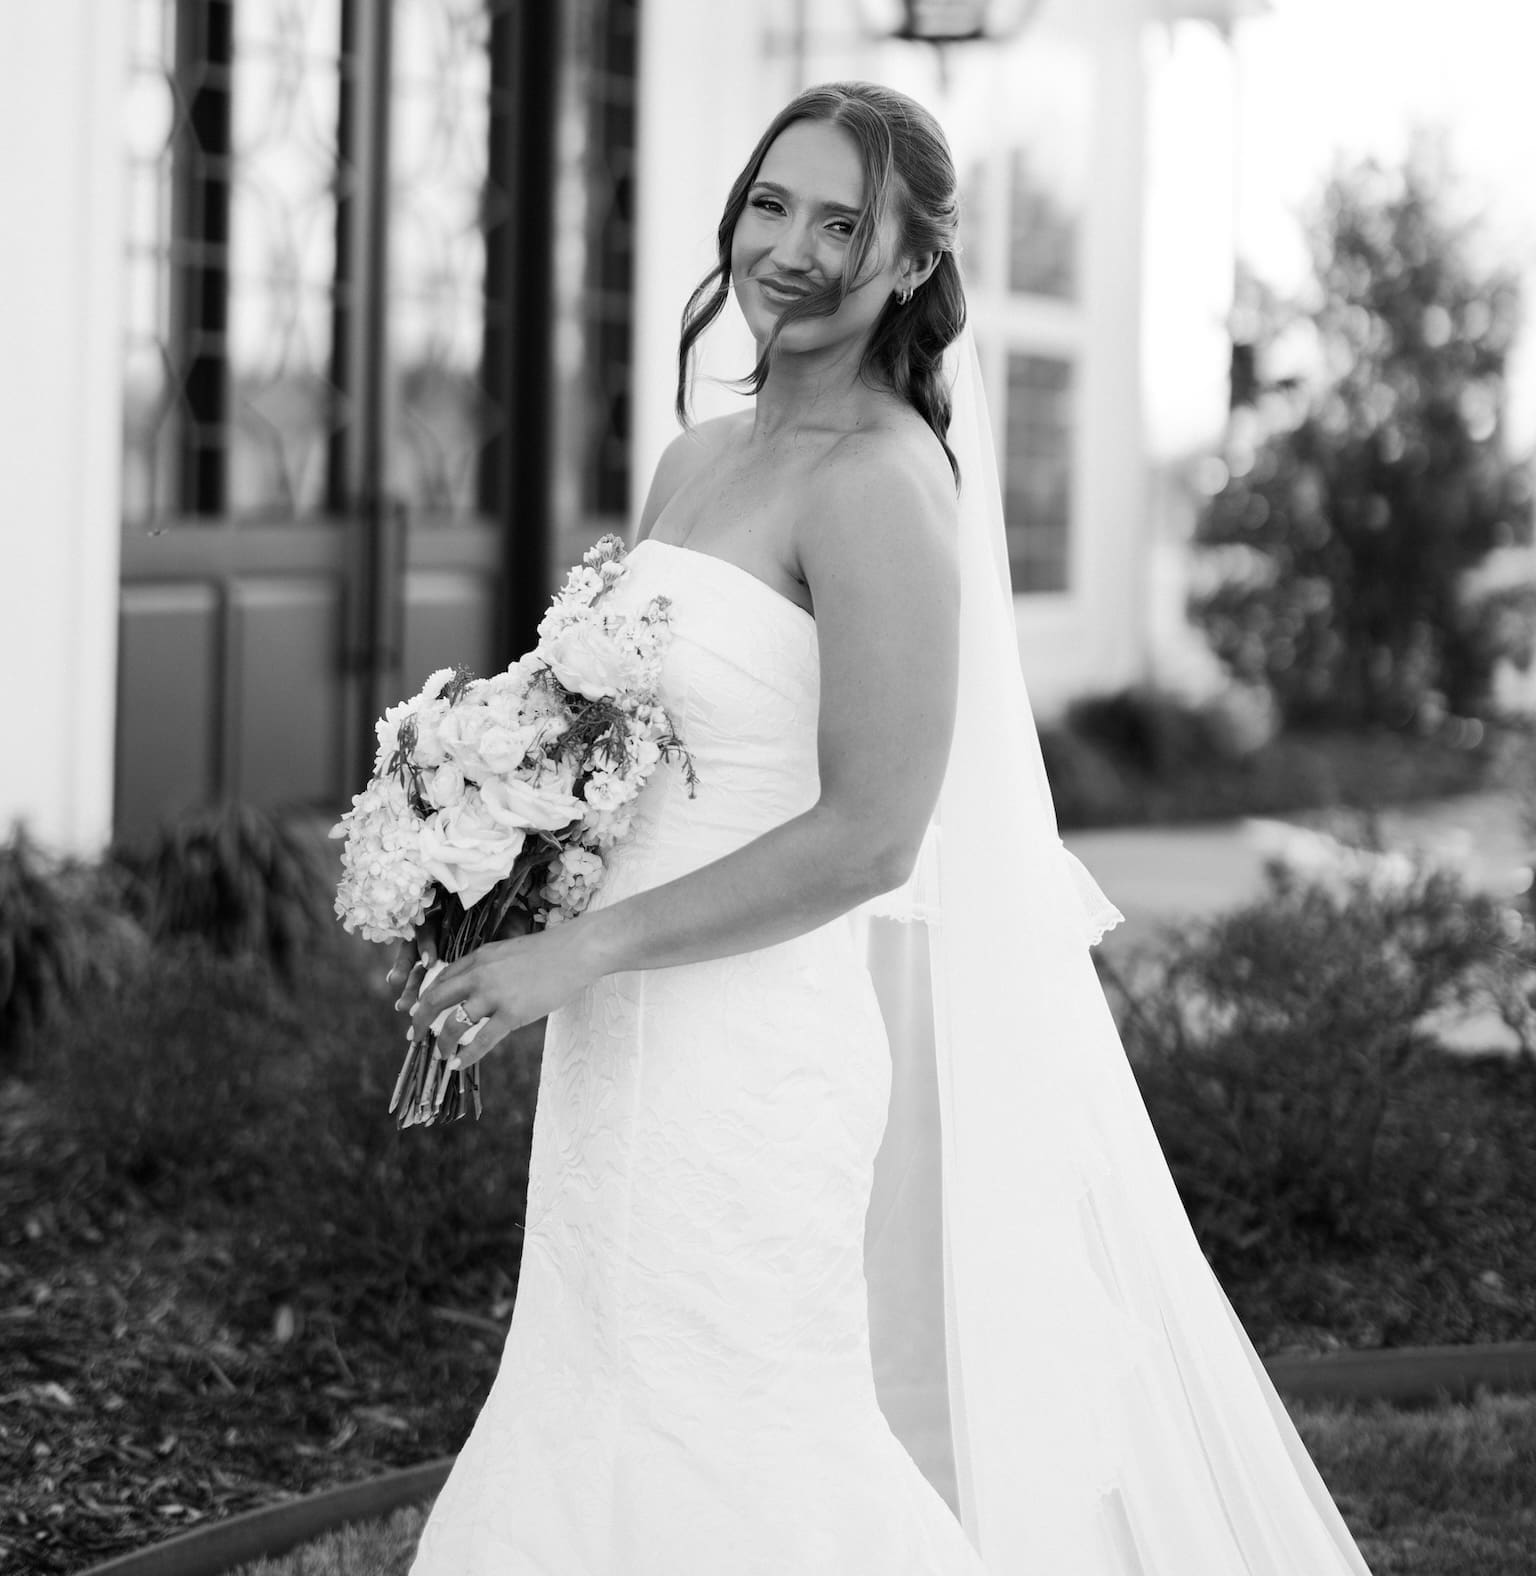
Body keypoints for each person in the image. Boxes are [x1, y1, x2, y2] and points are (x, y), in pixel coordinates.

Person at [397, 81, 1376, 1573]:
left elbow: (868, 839)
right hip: (619, 1033)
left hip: (752, 1044)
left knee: (740, 1430)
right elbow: (648, 751)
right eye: (772, 203)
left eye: (844, 222)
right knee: (596, 1388)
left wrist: (580, 952)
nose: (790, 248)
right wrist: (492, 851)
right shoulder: (694, 464)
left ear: (913, 266)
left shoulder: (878, 485)